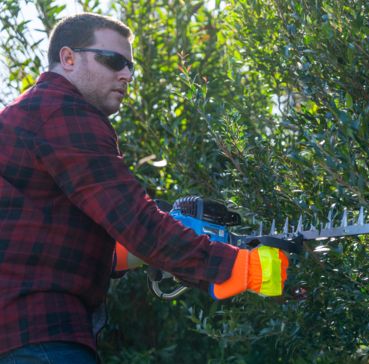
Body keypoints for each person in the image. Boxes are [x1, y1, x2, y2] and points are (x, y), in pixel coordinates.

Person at [0, 13, 288, 363]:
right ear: (68, 58)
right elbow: (134, 219)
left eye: (130, 67)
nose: (125, 75)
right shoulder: (64, 113)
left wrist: (129, 252)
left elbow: (39, 233)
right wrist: (232, 267)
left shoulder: (25, 113)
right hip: (38, 332)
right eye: (113, 61)